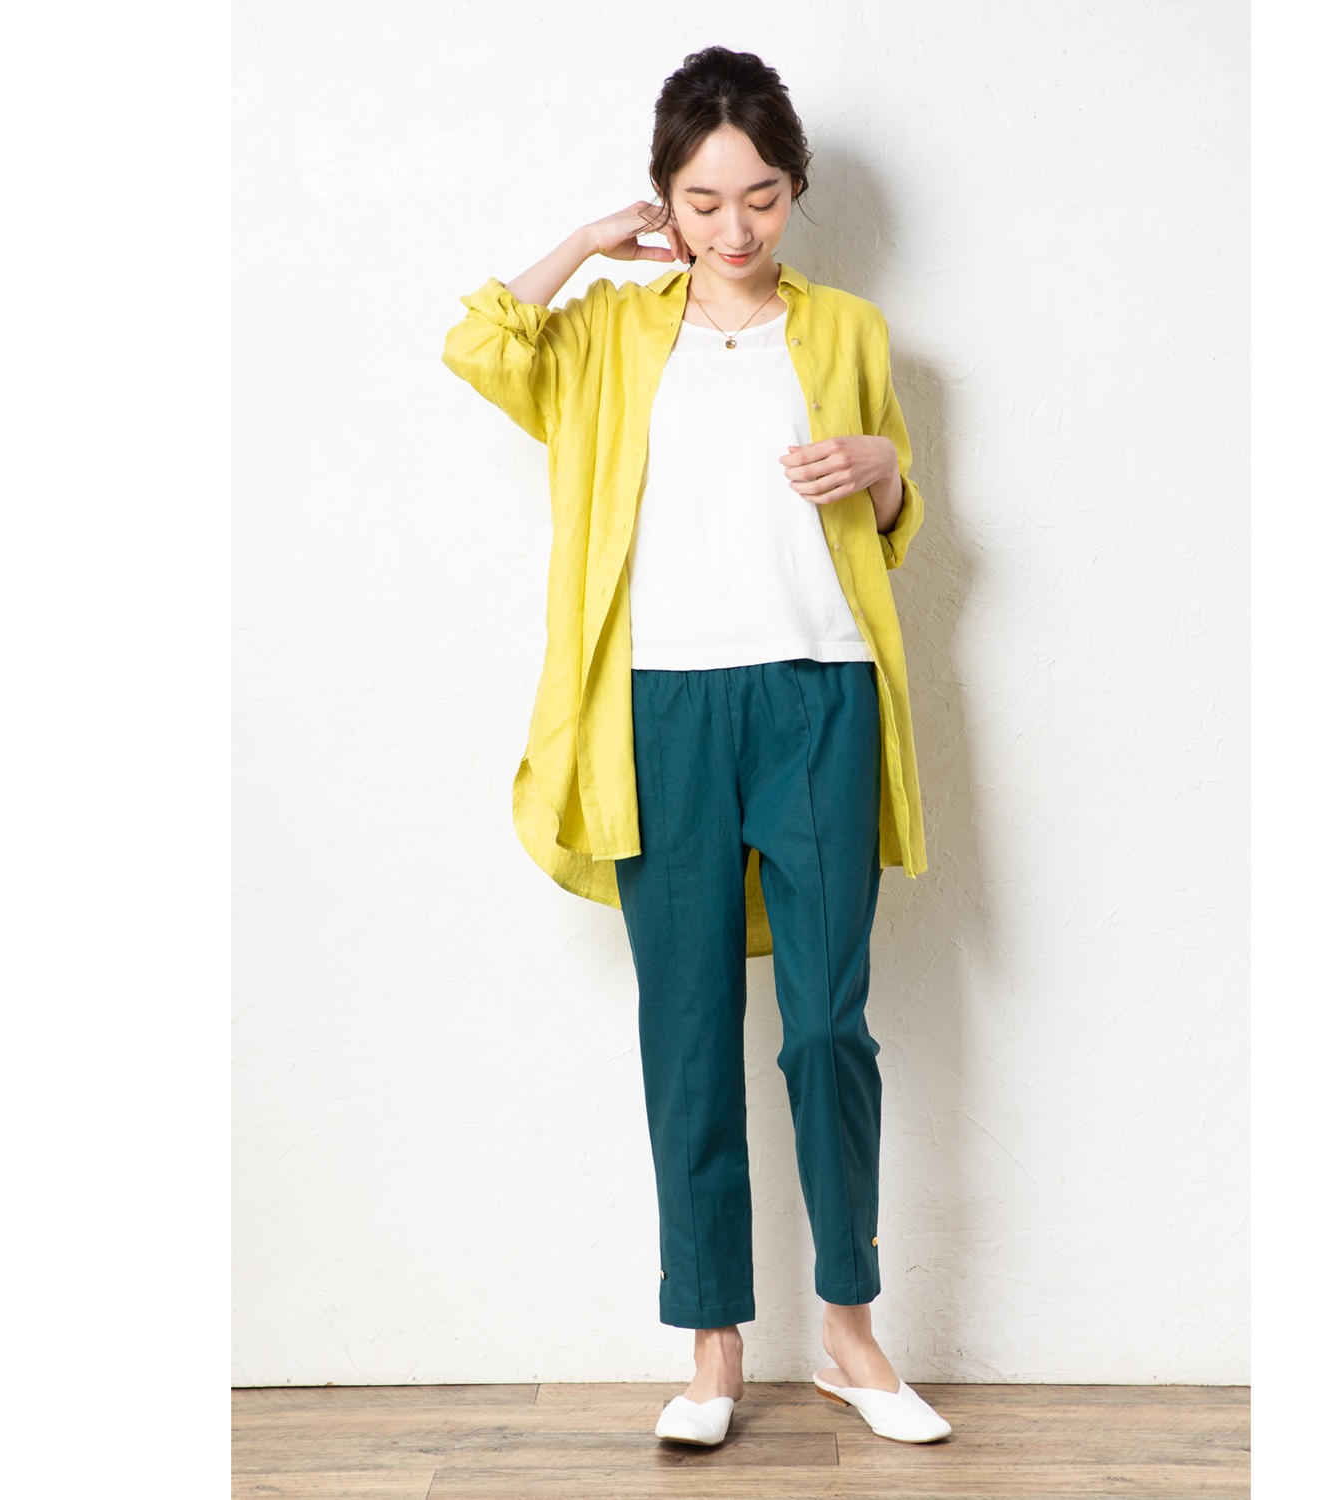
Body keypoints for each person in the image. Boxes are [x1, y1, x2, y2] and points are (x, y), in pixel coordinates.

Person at [441, 46, 947, 1448]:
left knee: (829, 1025)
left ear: (796, 191)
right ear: (664, 195)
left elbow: (894, 512)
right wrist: (588, 244)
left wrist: (882, 471)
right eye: (704, 200)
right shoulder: (609, 334)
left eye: (763, 197)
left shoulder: (847, 329)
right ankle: (713, 1348)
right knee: (686, 1030)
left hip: (821, 695)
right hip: (660, 711)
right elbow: (480, 345)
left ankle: (849, 1332)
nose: (736, 227)